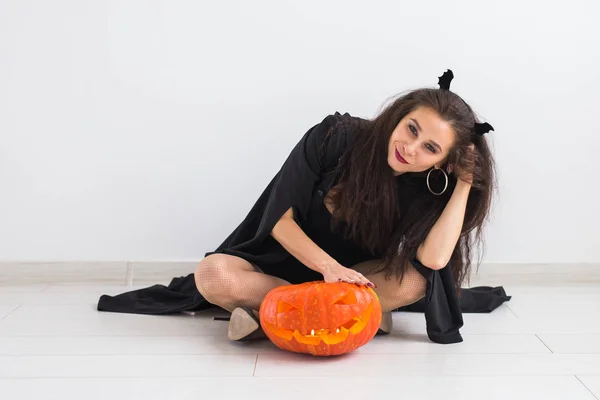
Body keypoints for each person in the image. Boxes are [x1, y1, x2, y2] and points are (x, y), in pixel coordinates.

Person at [193, 69, 498, 341]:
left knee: (415, 282)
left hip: (351, 280)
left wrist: (464, 183)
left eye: (430, 148)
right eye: (412, 129)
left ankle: (272, 317)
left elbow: (433, 260)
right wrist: (328, 268)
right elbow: (279, 222)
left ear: (444, 162)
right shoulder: (335, 137)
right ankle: (347, 316)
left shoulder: (430, 187)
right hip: (277, 267)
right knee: (212, 274)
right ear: (400, 115)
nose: (410, 148)